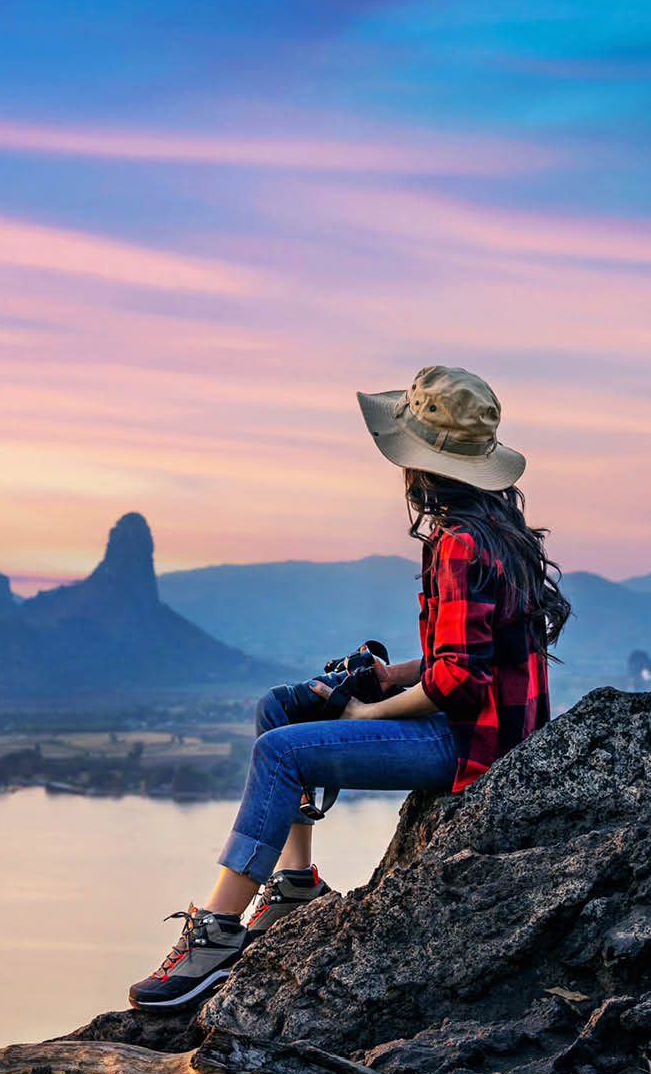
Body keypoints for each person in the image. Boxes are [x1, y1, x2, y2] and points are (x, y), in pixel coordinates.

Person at [128, 365, 571, 1012]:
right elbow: (472, 653)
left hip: (470, 747)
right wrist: (397, 674)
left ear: (420, 466)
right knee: (278, 708)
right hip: (491, 728)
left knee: (279, 752)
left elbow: (461, 680)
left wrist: (374, 706)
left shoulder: (457, 542)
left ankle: (216, 934)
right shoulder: (497, 531)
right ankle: (293, 884)